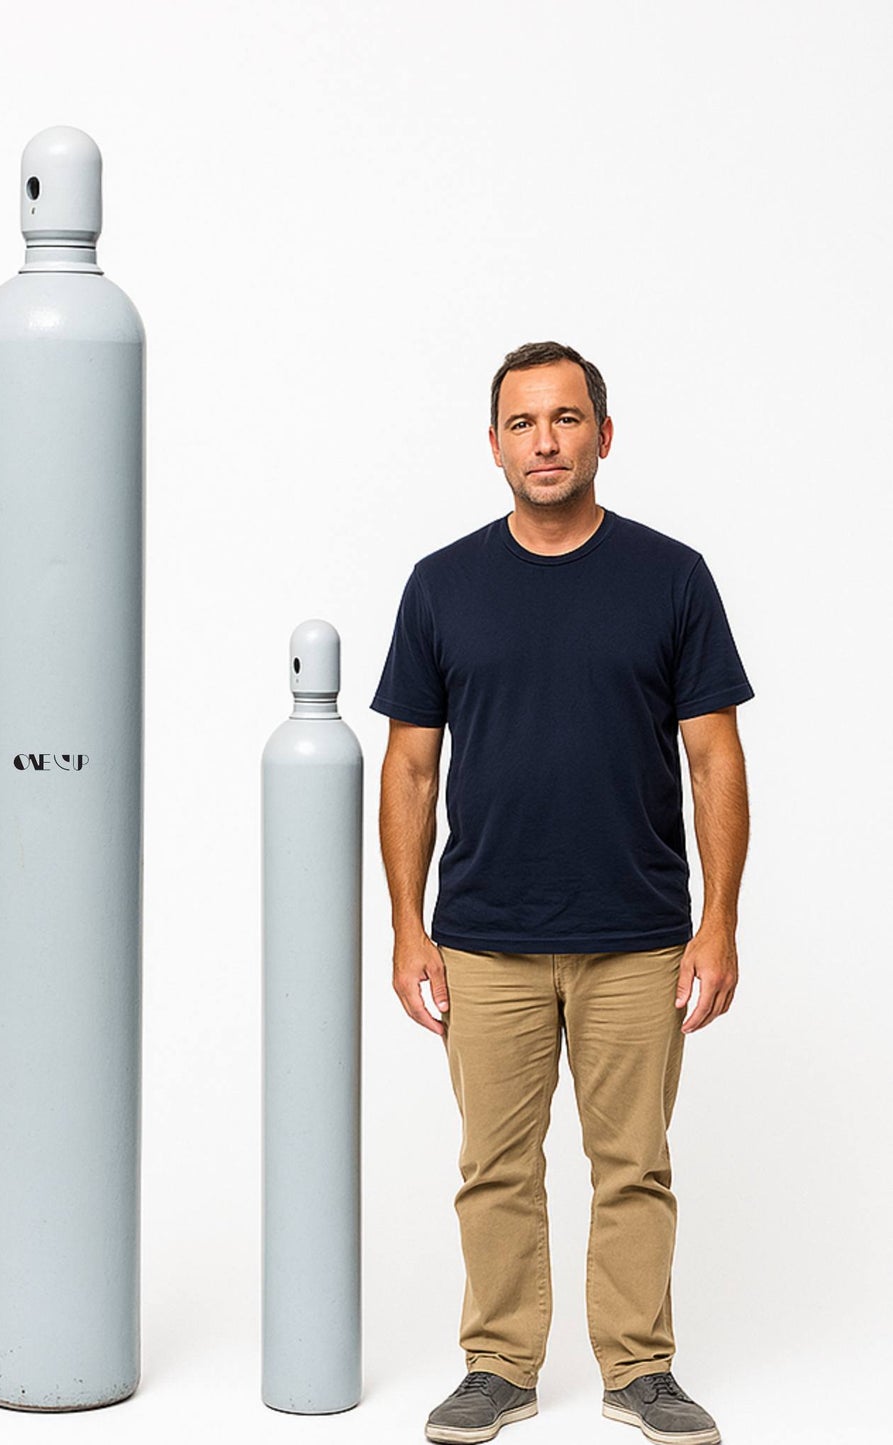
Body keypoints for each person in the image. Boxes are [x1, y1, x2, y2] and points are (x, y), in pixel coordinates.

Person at [373, 342, 751, 1445]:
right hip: (483, 934)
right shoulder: (441, 583)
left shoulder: (670, 576)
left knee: (632, 1163)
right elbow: (407, 766)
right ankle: (497, 1365)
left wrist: (716, 921)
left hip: (637, 933)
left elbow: (713, 758)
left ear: (602, 434)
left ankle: (639, 1370)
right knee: (492, 1166)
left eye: (565, 418)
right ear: (492, 443)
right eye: (522, 422)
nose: (544, 441)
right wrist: (407, 928)